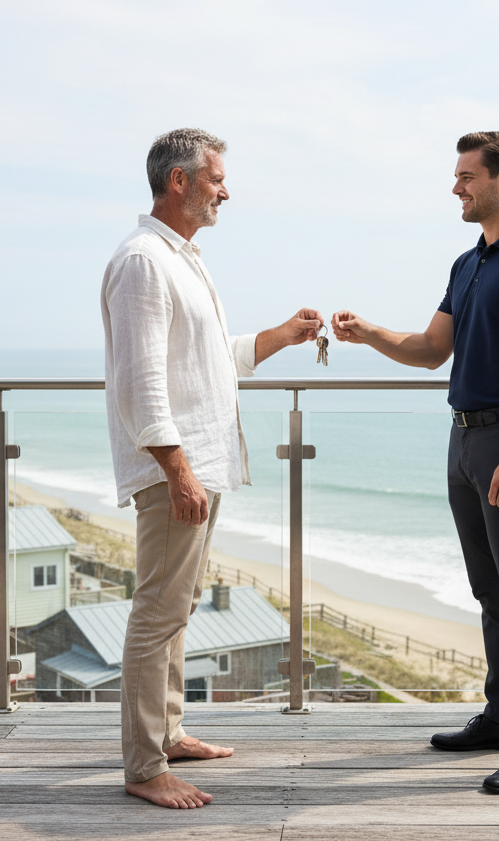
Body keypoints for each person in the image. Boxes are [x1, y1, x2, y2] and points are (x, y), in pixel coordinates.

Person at [331, 131, 499, 794]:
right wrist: (368, 333)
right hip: (464, 440)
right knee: (490, 593)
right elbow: (432, 349)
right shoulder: (468, 264)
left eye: (467, 176)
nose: (456, 187)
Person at [101, 128, 323, 809]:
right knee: (158, 613)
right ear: (179, 181)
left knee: (177, 607)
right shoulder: (144, 261)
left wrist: (281, 336)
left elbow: (204, 357)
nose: (225, 190)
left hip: (195, 462)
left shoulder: (179, 258)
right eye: (216, 178)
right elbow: (141, 382)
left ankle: (166, 734)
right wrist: (178, 471)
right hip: (177, 468)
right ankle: (144, 766)